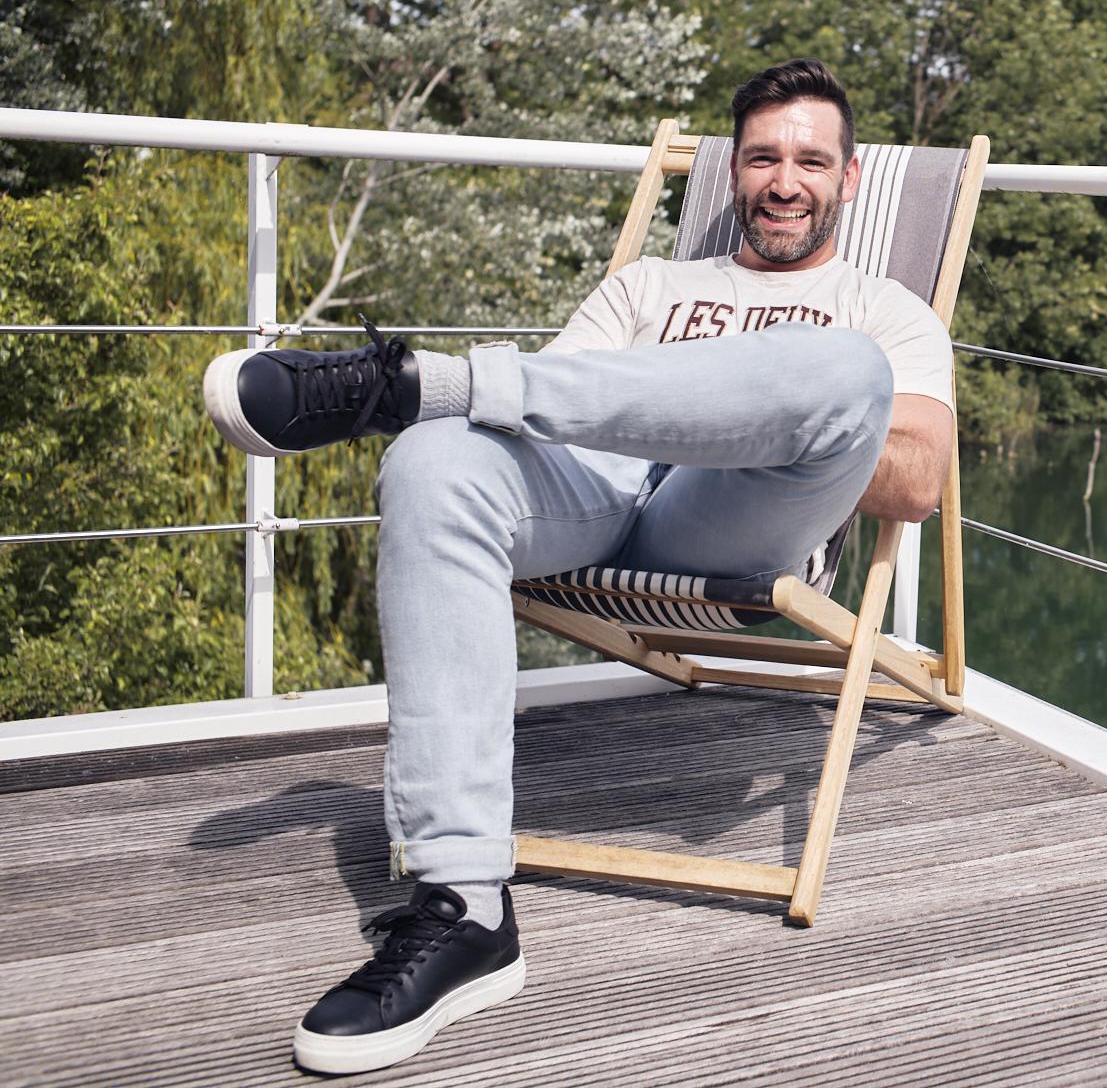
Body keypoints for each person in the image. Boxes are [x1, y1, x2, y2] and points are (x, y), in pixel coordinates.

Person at [202, 59, 953, 1075]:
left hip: (726, 526)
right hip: (597, 500)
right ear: (733, 169)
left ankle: (425, 382)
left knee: (841, 368)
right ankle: (465, 908)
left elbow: (914, 480)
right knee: (430, 458)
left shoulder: (886, 309)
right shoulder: (649, 282)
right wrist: (616, 404)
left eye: (811, 160)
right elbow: (548, 415)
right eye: (765, 156)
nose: (786, 179)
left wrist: (765, 414)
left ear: (849, 178)